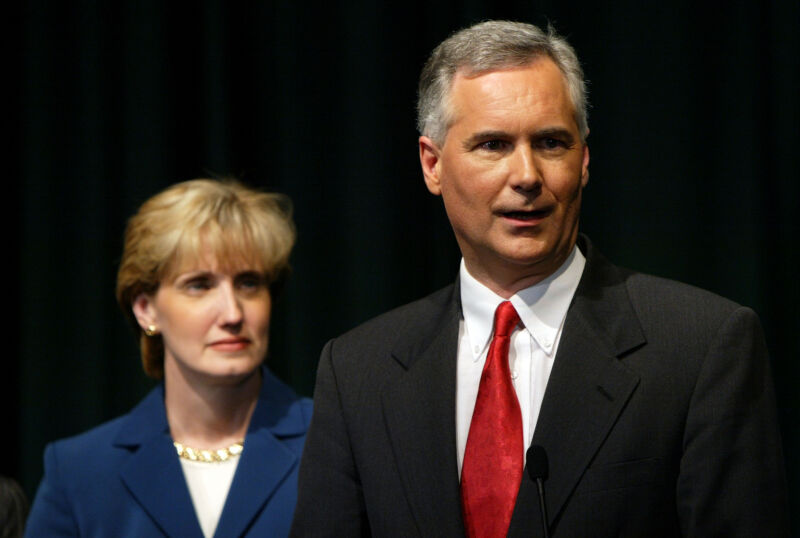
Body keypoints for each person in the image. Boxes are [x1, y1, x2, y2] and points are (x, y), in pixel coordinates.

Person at [291, 20, 789, 537]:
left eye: (551, 143)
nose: (527, 175)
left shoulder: (700, 346)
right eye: (493, 145)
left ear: (585, 159)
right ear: (432, 164)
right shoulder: (357, 372)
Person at [26, 179, 311, 537]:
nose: (232, 313)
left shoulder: (334, 443)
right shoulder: (79, 471)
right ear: (146, 310)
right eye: (200, 285)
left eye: (249, 283)